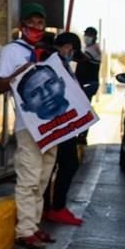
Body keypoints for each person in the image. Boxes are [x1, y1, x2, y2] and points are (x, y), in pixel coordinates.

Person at [0, 3, 58, 249]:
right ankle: (24, 231)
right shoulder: (12, 50)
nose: (36, 27)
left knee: (43, 179)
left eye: (40, 23)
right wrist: (27, 67)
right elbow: (1, 86)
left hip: (52, 124)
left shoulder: (47, 51)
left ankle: (33, 225)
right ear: (23, 25)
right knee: (29, 177)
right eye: (31, 23)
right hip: (28, 124)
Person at [44, 32, 84, 226]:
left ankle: (50, 207)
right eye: (72, 51)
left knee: (56, 165)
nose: (72, 54)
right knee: (67, 164)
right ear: (68, 47)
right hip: (58, 124)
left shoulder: (60, 62)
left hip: (60, 124)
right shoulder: (55, 63)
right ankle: (56, 208)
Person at [74, 26, 102, 101]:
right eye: (86, 35)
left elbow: (81, 58)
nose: (87, 37)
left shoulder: (94, 49)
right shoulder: (88, 47)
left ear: (94, 37)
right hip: (87, 83)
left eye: (90, 35)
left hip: (89, 83)